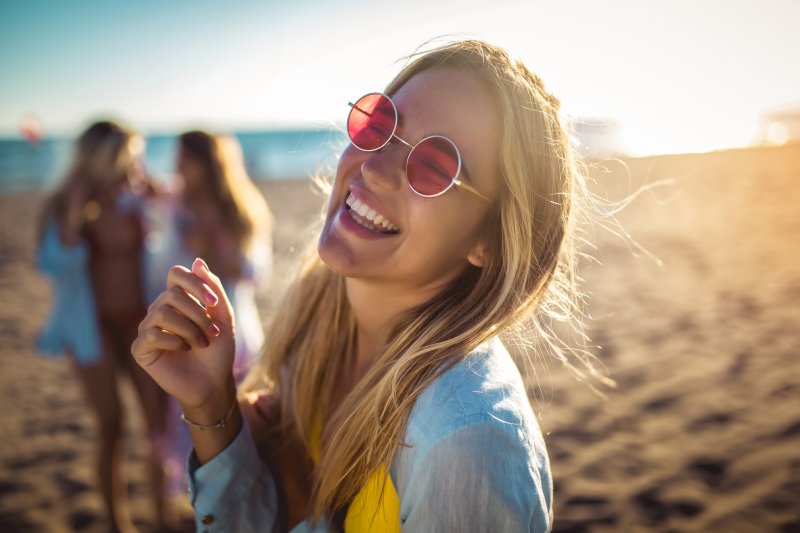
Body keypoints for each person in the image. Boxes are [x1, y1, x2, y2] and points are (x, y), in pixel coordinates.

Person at [132, 39, 598, 531]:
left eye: (435, 167)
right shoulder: (316, 316)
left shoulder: (466, 442)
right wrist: (213, 408)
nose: (373, 167)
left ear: (489, 239)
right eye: (380, 126)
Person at [36, 120, 173, 532]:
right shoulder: (66, 203)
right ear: (104, 156)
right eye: (129, 154)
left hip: (139, 325)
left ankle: (162, 516)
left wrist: (158, 194)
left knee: (157, 428)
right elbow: (53, 265)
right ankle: (117, 523)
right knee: (110, 427)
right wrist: (74, 219)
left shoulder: (137, 199)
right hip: (91, 331)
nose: (135, 163)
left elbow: (178, 225)